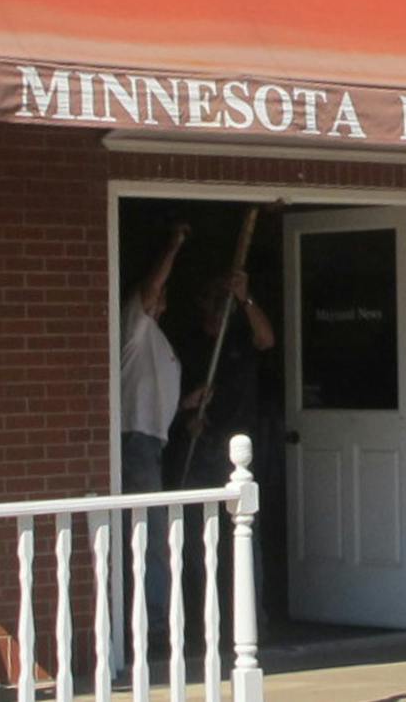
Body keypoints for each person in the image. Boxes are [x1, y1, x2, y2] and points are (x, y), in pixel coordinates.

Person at [119, 222, 208, 644]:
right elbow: (151, 288)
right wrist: (174, 244)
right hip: (135, 442)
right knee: (151, 533)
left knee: (155, 531)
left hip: (154, 441)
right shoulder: (133, 328)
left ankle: (154, 615)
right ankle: (154, 623)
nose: (159, 298)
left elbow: (152, 393)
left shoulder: (156, 340)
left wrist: (186, 405)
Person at [175, 266, 276, 487]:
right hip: (202, 441)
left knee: (241, 500)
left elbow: (267, 340)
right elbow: (175, 396)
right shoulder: (189, 344)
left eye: (224, 298)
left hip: (239, 438)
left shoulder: (240, 336)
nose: (220, 305)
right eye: (213, 298)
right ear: (202, 302)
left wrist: (245, 297)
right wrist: (186, 418)